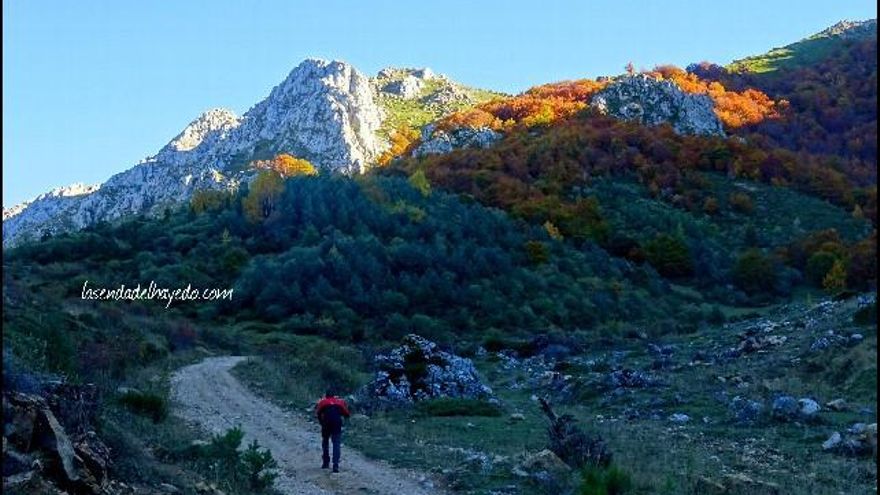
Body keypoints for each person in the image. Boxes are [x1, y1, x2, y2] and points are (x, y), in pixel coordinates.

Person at [315, 390, 350, 473]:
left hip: (326, 422)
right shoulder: (339, 402)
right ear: (334, 396)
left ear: (326, 396)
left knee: (325, 441)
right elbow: (347, 414)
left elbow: (318, 413)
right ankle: (335, 465)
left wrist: (321, 423)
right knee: (336, 443)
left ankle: (326, 462)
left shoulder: (322, 402)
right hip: (337, 422)